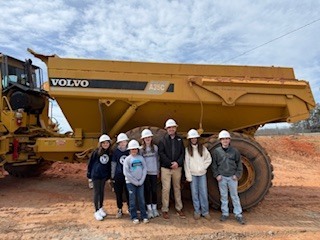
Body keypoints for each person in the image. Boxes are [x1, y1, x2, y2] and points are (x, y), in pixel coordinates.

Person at [211, 130, 245, 225]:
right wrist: (217, 175)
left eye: (226, 139)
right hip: (222, 178)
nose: (225, 141)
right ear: (220, 140)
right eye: (223, 139)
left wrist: (237, 175)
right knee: (224, 196)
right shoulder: (217, 152)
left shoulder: (235, 151)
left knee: (234, 196)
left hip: (232, 178)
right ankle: (225, 213)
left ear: (229, 140)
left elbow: (239, 164)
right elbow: (214, 165)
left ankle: (238, 214)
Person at [158, 118, 185, 219]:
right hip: (166, 169)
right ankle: (165, 209)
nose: (171, 129)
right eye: (169, 127)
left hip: (177, 168)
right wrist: (170, 164)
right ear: (166, 129)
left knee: (177, 188)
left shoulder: (180, 140)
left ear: (175, 128)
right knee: (166, 189)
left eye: (173, 127)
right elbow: (161, 153)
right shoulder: (163, 140)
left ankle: (179, 208)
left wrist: (178, 163)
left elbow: (183, 153)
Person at [184, 129, 212, 220]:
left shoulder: (202, 148)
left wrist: (203, 167)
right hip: (193, 175)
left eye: (195, 138)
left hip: (202, 174)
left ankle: (205, 212)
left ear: (197, 138)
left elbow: (208, 159)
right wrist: (188, 176)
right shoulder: (187, 150)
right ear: (189, 139)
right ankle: (197, 211)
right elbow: (186, 164)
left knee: (203, 193)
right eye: (192, 138)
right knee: (194, 193)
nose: (193, 140)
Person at [87, 134, 112, 221]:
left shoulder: (109, 153)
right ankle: (96, 211)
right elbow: (90, 164)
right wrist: (89, 175)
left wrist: (108, 176)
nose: (105, 144)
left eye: (107, 143)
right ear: (100, 144)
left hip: (103, 176)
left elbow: (108, 165)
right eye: (104, 143)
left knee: (102, 192)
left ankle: (101, 207)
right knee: (97, 192)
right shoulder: (96, 152)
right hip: (96, 175)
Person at [123, 139, 149, 224]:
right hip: (130, 183)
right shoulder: (127, 159)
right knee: (132, 200)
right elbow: (126, 172)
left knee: (141, 199)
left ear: (138, 149)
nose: (134, 150)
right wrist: (135, 181)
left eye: (135, 149)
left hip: (140, 182)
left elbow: (144, 168)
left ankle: (144, 216)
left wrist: (141, 180)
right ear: (129, 150)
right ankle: (134, 217)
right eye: (132, 149)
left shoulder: (140, 158)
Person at [140, 129, 160, 219]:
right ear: (143, 139)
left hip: (154, 172)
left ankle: (154, 208)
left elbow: (157, 160)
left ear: (151, 138)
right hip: (146, 173)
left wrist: (158, 170)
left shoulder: (155, 148)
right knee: (147, 191)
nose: (147, 139)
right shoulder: (141, 150)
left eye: (149, 137)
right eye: (146, 138)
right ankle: (149, 209)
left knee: (154, 190)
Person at [111, 133, 130, 218]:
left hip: (128, 176)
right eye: (121, 142)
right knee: (118, 194)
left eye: (124, 142)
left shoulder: (129, 151)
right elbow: (113, 164)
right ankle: (119, 209)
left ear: (127, 142)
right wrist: (112, 176)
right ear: (118, 143)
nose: (123, 144)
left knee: (128, 193)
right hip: (118, 176)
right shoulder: (116, 152)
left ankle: (130, 208)